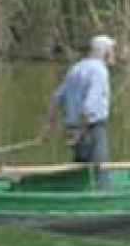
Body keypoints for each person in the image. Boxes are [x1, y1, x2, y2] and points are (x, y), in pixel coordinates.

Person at [46, 35, 116, 189]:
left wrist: (48, 127)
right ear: (105, 53)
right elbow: (90, 106)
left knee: (80, 168)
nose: (114, 55)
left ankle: (76, 196)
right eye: (112, 51)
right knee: (100, 170)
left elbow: (56, 97)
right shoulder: (100, 71)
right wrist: (80, 132)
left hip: (73, 127)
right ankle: (103, 202)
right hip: (91, 128)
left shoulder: (77, 67)